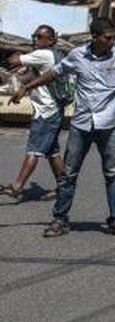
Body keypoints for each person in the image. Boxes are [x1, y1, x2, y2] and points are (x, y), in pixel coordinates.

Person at [12, 17, 115, 239]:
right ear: (94, 38)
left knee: (112, 174)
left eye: (113, 37)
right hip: (81, 126)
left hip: (109, 127)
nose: (112, 42)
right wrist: (26, 87)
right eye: (108, 38)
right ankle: (60, 219)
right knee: (68, 174)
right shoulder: (77, 56)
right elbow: (54, 72)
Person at [1, 25, 66, 201]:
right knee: (52, 152)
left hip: (45, 111)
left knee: (34, 150)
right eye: (34, 36)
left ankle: (18, 185)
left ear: (51, 40)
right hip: (53, 109)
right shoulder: (55, 55)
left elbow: (14, 61)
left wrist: (9, 52)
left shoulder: (43, 54)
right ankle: (64, 187)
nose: (35, 40)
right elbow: (33, 76)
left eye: (39, 37)